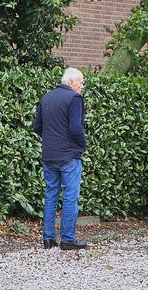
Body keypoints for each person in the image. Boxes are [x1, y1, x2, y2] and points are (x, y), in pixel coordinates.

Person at [33, 67, 88, 250]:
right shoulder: (74, 98)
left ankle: (48, 239)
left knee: (51, 195)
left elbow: (37, 127)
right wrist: (82, 145)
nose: (82, 86)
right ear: (71, 82)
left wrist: (51, 141)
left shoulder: (47, 97)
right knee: (70, 197)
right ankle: (67, 239)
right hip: (69, 156)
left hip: (49, 154)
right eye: (80, 82)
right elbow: (75, 128)